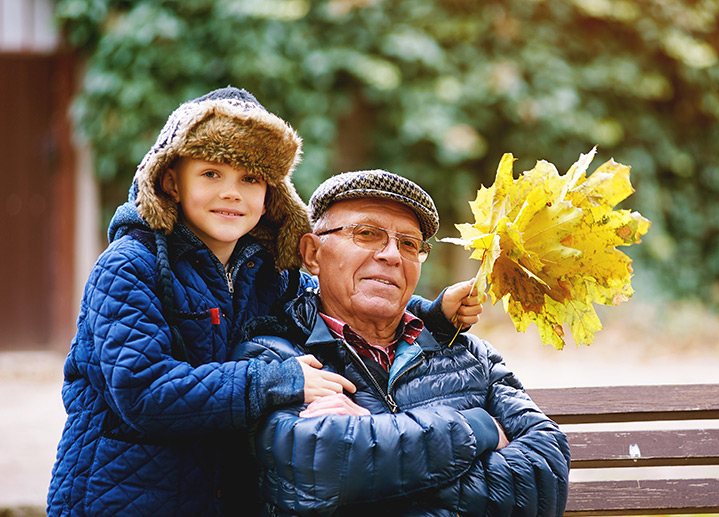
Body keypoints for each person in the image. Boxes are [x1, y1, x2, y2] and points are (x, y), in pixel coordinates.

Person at [46, 88, 481, 516]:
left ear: (272, 192)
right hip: (123, 494)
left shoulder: (270, 271)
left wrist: (431, 312)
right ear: (171, 181)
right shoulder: (129, 267)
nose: (233, 193)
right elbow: (144, 393)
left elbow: (326, 307)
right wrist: (278, 381)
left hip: (220, 494)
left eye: (250, 178)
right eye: (212, 173)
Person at [238, 170, 571, 516]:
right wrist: (479, 426)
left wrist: (371, 440)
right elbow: (314, 468)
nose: (393, 255)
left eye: (409, 244)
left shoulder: (472, 356)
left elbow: (545, 474)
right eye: (367, 234)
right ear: (312, 254)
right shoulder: (276, 359)